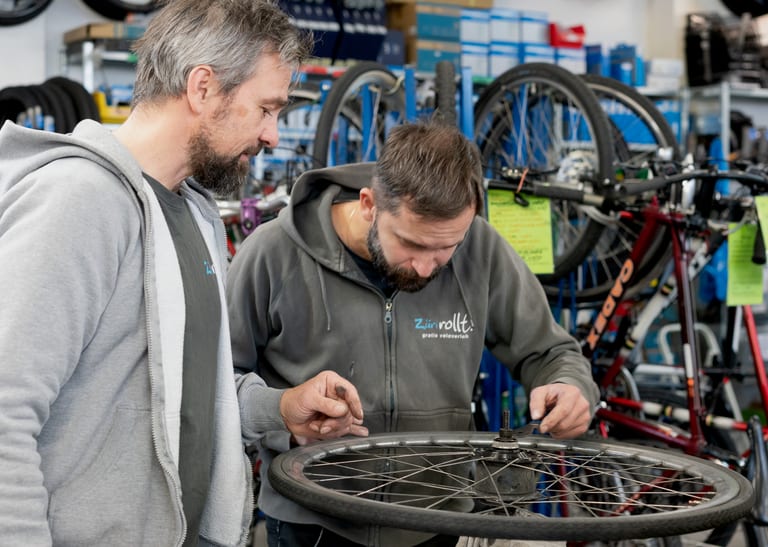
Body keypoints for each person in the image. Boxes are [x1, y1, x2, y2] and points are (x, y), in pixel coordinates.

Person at [0, 1, 367, 545]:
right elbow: (6, 411)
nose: (271, 135)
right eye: (266, 108)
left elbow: (182, 388)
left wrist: (280, 408)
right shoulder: (80, 201)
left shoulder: (195, 213)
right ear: (202, 88)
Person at [226, 121, 601, 546]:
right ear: (369, 205)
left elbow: (552, 352)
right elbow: (219, 384)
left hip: (437, 522)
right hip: (312, 521)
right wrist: (284, 411)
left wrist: (571, 388)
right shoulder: (272, 253)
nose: (427, 268)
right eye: (412, 244)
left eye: (446, 248)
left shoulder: (481, 248)